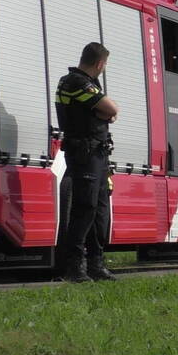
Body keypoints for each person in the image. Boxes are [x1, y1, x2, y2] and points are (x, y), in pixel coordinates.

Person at [54, 42, 119, 282]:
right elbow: (111, 109)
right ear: (100, 64)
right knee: (85, 209)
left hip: (98, 154)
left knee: (100, 210)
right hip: (84, 153)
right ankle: (75, 266)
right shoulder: (76, 82)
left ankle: (96, 264)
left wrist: (104, 113)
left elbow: (108, 112)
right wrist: (104, 112)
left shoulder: (86, 84)